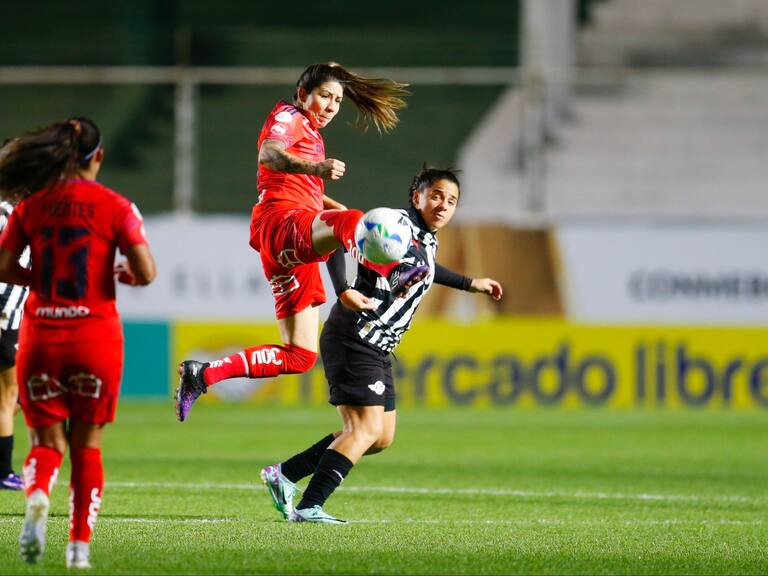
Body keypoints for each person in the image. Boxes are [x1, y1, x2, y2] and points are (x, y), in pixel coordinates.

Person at [175, 62, 422, 422]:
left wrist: (328, 200)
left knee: (300, 355)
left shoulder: (311, 133)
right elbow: (269, 155)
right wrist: (318, 170)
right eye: (324, 96)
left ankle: (203, 374)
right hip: (281, 223)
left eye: (337, 101)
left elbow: (301, 188)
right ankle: (393, 271)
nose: (331, 107)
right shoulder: (288, 116)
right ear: (303, 94)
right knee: (351, 221)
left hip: (286, 243)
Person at [260, 166, 503, 523]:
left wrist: (470, 283)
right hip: (357, 335)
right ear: (417, 196)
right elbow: (337, 233)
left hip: (378, 345)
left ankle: (285, 474)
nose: (443, 205)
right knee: (364, 429)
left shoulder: (425, 237)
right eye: (436, 196)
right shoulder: (393, 224)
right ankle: (310, 506)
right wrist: (343, 289)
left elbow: (427, 268)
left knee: (380, 437)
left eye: (451, 201)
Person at [0, 117, 157, 568]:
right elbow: (146, 272)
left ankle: (37, 495)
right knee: (87, 447)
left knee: (45, 442)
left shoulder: (31, 206)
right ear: (98, 156)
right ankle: (78, 548)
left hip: (41, 336)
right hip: (95, 336)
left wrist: (37, 280)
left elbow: (4, 265)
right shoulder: (117, 205)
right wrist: (124, 275)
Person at [0, 198, 30, 491]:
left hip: (14, 318)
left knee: (15, 396)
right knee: (10, 397)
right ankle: (3, 472)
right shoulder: (9, 214)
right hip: (4, 317)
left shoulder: (25, 213)